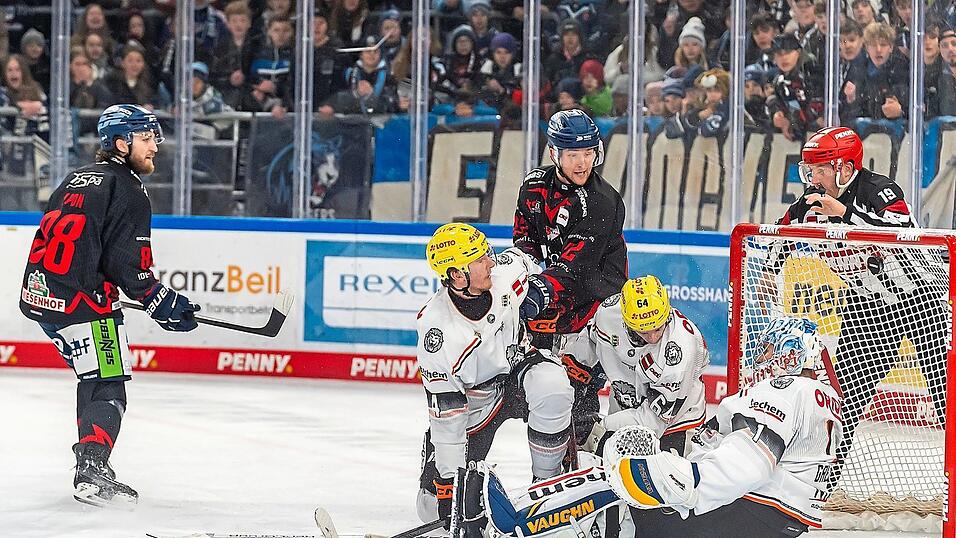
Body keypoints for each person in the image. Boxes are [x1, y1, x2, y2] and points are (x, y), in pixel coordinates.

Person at [450, 318, 840, 538]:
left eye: (772, 352)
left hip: (746, 516)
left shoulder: (788, 388)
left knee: (621, 475)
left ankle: (517, 519)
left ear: (792, 354)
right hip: (766, 522)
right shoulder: (819, 398)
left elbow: (750, 463)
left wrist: (683, 479)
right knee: (633, 491)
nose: (764, 359)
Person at [18, 104, 201, 508]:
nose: (156, 145)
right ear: (122, 142)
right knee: (109, 384)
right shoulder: (129, 190)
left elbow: (82, 244)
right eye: (147, 137)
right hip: (82, 304)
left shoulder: (74, 178)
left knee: (93, 375)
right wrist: (160, 300)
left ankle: (90, 461)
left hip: (42, 296)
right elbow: (128, 265)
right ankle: (92, 469)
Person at [774, 126, 948, 495]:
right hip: (868, 307)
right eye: (810, 170)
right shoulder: (810, 203)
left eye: (820, 169)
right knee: (842, 404)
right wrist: (771, 268)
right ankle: (816, 490)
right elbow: (775, 239)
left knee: (947, 398)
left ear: (843, 167)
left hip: (923, 301)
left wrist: (846, 215)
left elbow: (905, 237)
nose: (813, 178)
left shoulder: (879, 190)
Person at [416, 223, 574, 529]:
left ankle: (547, 485)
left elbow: (531, 259)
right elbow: (447, 418)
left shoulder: (504, 272)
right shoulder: (438, 332)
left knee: (552, 386)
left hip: (518, 371)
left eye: (488, 252)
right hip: (477, 399)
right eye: (480, 258)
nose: (491, 260)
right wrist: (450, 484)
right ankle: (438, 472)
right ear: (458, 276)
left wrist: (542, 288)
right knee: (431, 509)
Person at [512, 108, 628, 429]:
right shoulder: (534, 186)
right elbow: (526, 244)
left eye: (588, 152)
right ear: (554, 153)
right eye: (573, 153)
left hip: (598, 313)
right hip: (557, 305)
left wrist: (540, 290)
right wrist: (519, 276)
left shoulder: (603, 200)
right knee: (540, 399)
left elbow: (576, 267)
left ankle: (590, 463)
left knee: (579, 404)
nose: (582, 162)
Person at [568, 276, 710, 458]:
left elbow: (653, 423)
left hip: (675, 423)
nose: (652, 338)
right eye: (643, 331)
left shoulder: (681, 349)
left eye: (658, 328)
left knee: (664, 480)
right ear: (625, 320)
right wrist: (574, 381)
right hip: (622, 407)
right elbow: (588, 344)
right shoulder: (608, 314)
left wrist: (599, 429)